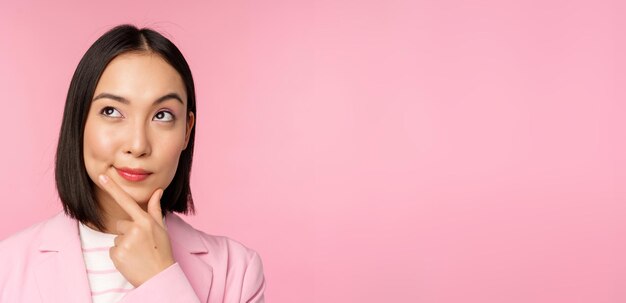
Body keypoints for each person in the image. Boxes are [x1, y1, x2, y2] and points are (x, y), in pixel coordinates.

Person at [0, 24, 266, 303]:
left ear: (186, 131)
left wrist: (161, 279)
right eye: (112, 111)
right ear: (79, 121)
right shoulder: (6, 268)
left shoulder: (238, 271)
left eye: (162, 115)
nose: (138, 145)